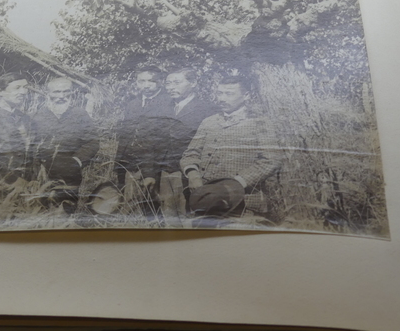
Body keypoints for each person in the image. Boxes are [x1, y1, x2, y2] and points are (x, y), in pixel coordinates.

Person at [179, 75, 281, 221]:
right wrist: (193, 174)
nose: (222, 98)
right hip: (205, 200)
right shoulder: (209, 122)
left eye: (229, 94)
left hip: (243, 204)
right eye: (219, 93)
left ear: (246, 95)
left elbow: (271, 160)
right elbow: (190, 153)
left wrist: (235, 184)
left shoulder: (260, 123)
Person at [159, 68, 217, 223]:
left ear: (193, 83)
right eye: (168, 83)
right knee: (169, 216)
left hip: (190, 173)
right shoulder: (164, 107)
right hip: (165, 171)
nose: (171, 87)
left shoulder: (207, 109)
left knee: (189, 217)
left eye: (177, 82)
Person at [33, 77, 99, 213]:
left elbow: (92, 142)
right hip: (44, 174)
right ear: (48, 93)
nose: (61, 96)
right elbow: (31, 144)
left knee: (67, 211)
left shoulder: (80, 114)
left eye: (66, 91)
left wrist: (77, 160)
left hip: (71, 174)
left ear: (72, 92)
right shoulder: (38, 116)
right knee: (43, 211)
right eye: (57, 92)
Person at [115, 66, 174, 216]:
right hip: (129, 162)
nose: (146, 85)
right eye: (141, 81)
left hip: (153, 162)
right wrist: (119, 162)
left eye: (151, 81)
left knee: (152, 204)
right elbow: (125, 135)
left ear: (160, 82)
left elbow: (161, 139)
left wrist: (151, 171)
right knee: (129, 201)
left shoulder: (168, 103)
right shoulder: (133, 104)